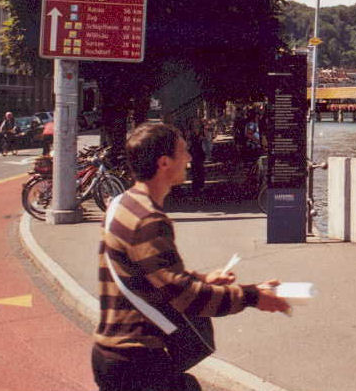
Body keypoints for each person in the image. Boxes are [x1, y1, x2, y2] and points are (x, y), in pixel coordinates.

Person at [92, 122, 292, 391]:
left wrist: (202, 278)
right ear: (164, 163)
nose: (189, 159)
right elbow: (183, 295)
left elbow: (147, 272)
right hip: (136, 361)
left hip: (112, 353)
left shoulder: (121, 204)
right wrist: (253, 296)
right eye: (183, 152)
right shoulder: (149, 219)